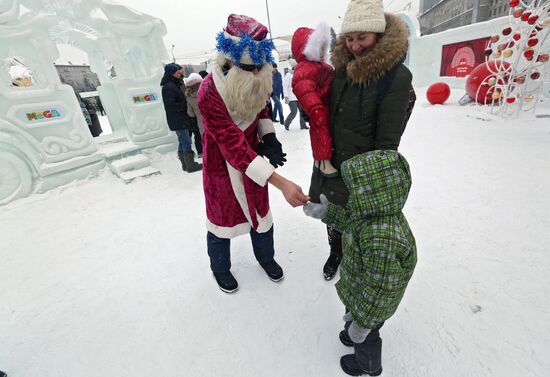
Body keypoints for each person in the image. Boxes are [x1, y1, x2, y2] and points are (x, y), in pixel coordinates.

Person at [197, 14, 309, 293]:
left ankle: (266, 258)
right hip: (222, 165)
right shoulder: (209, 91)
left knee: (261, 214)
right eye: (251, 68)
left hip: (254, 158)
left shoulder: (254, 75)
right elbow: (232, 145)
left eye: (261, 67)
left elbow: (261, 106)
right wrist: (281, 182)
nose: (259, 74)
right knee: (222, 219)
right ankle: (220, 266)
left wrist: (268, 137)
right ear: (231, 61)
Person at [309, 0, 414, 282]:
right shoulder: (341, 69)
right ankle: (335, 251)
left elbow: (388, 139)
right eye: (350, 39)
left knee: (357, 219)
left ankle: (356, 258)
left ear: (378, 36)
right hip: (330, 157)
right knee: (331, 212)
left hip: (362, 167)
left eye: (362, 38)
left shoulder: (396, 76)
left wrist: (372, 176)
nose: (355, 46)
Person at [304, 150, 417, 377]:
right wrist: (328, 212)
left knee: (368, 334)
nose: (351, 191)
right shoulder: (373, 211)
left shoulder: (382, 238)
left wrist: (363, 323)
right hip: (360, 286)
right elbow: (352, 223)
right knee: (354, 313)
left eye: (356, 187)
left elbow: (380, 289)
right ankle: (353, 327)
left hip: (372, 302)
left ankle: (368, 364)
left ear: (373, 192)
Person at [291, 22, 338, 178]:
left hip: (325, 105)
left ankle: (321, 161)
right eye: (319, 46)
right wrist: (315, 108)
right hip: (319, 108)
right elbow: (304, 88)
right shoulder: (305, 68)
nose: (322, 50)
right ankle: (323, 162)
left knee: (323, 134)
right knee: (321, 134)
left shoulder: (321, 66)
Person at [160, 63, 202, 173]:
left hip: (181, 119)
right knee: (186, 141)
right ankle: (191, 165)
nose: (180, 73)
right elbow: (170, 105)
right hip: (178, 119)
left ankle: (185, 164)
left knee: (182, 141)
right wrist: (186, 104)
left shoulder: (176, 83)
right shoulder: (168, 86)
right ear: (171, 73)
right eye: (178, 72)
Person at [282, 58, 308, 130]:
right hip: (291, 97)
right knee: (294, 112)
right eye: (294, 67)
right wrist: (286, 97)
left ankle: (303, 125)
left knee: (302, 111)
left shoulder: (298, 73)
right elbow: (285, 86)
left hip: (298, 96)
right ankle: (286, 123)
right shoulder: (288, 75)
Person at [185, 72, 204, 157]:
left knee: (206, 139)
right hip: (213, 118)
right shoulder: (206, 91)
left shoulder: (189, 98)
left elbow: (190, 114)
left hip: (201, 122)